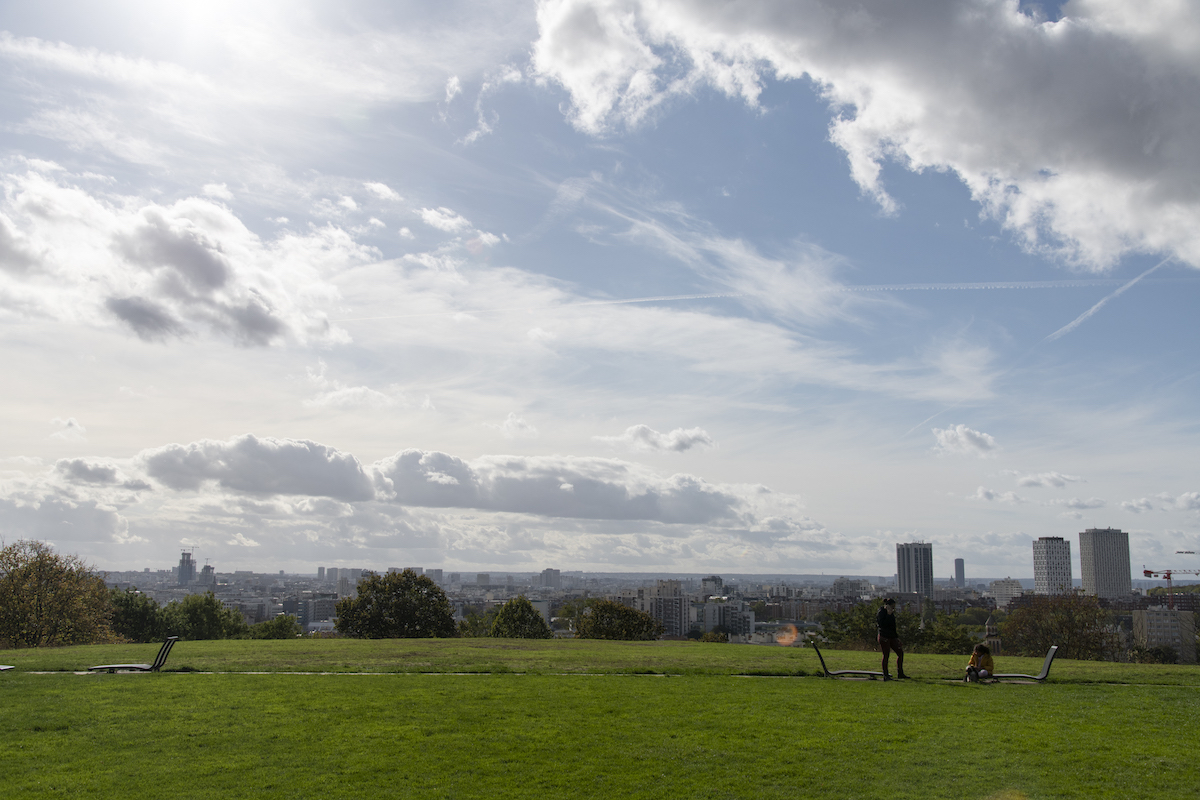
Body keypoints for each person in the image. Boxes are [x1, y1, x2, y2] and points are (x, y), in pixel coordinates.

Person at [875, 598, 908, 679]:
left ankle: (900, 673)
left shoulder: (892, 614)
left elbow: (893, 627)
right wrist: (888, 615)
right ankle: (885, 674)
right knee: (886, 655)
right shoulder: (881, 612)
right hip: (884, 636)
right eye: (892, 606)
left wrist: (897, 638)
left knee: (900, 653)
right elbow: (882, 625)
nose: (893, 608)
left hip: (892, 636)